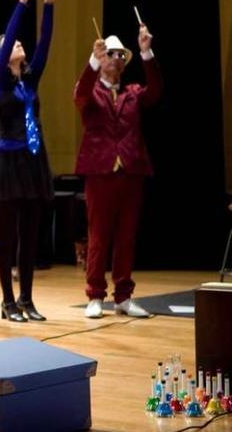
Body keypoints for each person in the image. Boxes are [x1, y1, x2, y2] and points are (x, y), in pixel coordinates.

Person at [74, 24, 161, 319]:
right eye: (110, 54)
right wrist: (92, 61)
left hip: (131, 171)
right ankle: (95, 295)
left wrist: (146, 51)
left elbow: (157, 89)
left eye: (120, 55)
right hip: (100, 172)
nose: (116, 58)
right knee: (98, 236)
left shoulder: (133, 93)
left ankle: (123, 296)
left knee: (126, 236)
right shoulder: (91, 91)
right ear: (102, 59)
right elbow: (80, 92)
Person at [0, 0, 60, 322]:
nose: (19, 45)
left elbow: (44, 45)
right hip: (9, 160)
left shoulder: (27, 79)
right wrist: (21, 6)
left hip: (33, 160)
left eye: (18, 43)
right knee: (8, 233)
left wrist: (47, 5)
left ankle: (27, 299)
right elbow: (3, 49)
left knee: (31, 234)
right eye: (12, 43)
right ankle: (7, 301)